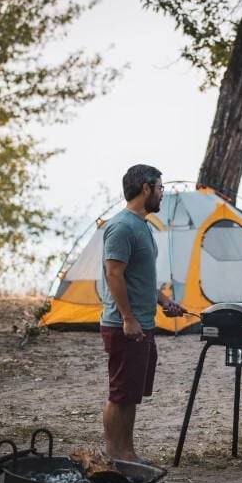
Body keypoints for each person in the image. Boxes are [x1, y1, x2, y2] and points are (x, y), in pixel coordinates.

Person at [98, 164, 185, 463]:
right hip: (124, 326)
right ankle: (114, 454)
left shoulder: (142, 225)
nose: (162, 194)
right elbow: (114, 274)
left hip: (142, 323)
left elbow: (138, 278)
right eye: (160, 188)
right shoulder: (122, 226)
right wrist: (128, 318)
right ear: (145, 188)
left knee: (131, 392)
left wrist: (162, 301)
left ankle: (127, 452)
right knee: (120, 392)